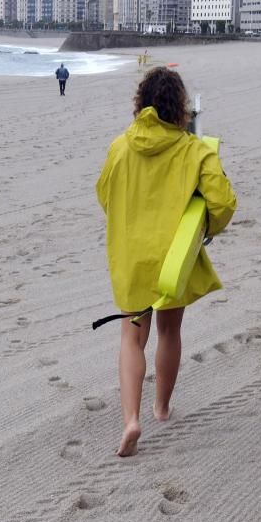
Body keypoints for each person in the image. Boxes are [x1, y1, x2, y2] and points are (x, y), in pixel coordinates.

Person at [96, 67, 236, 457]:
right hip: (175, 257)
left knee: (131, 337)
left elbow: (105, 194)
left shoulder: (120, 147)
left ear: (140, 104)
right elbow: (224, 202)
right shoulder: (196, 150)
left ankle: (130, 420)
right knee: (170, 334)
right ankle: (160, 408)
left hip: (132, 257)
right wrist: (206, 227)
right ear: (181, 109)